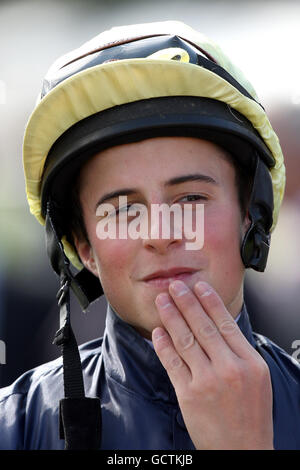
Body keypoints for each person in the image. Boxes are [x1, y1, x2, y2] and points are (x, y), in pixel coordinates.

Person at [0, 20, 299, 451]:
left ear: (249, 215)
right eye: (124, 210)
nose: (161, 234)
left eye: (191, 198)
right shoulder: (14, 429)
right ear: (83, 246)